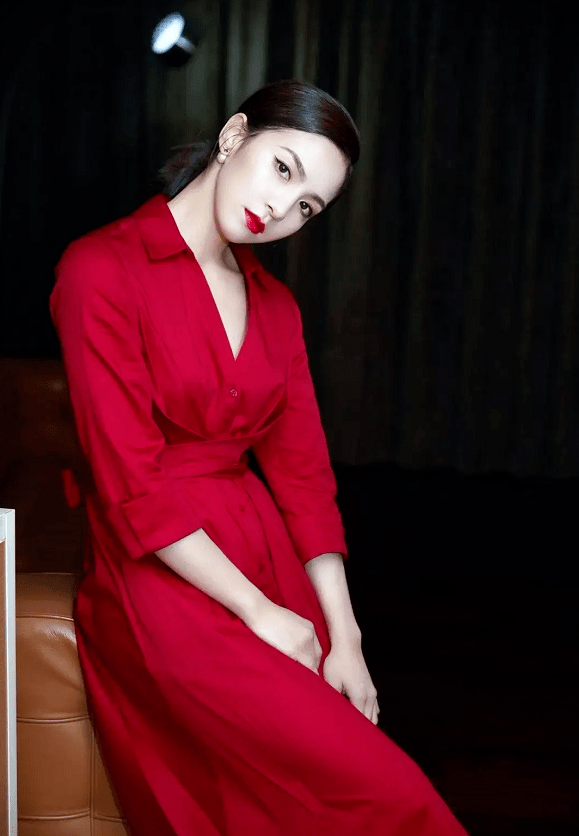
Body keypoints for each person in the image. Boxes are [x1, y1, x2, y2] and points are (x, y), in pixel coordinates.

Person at [50, 79, 468, 836]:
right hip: (160, 576)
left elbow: (305, 479)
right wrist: (257, 613)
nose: (280, 210)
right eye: (282, 168)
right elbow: (130, 482)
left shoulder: (277, 306)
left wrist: (346, 637)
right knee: (385, 797)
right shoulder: (100, 269)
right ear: (234, 134)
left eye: (307, 206)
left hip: (266, 557)